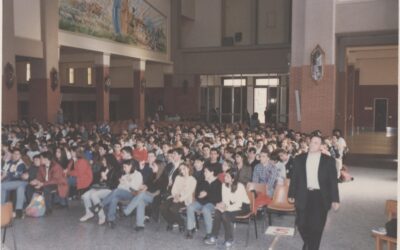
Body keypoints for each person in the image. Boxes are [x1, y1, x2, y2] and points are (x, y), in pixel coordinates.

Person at [288, 135, 340, 250]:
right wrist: (291, 194)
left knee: (317, 226)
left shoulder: (328, 160)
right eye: (311, 142)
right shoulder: (299, 158)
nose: (312, 144)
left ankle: (312, 247)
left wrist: (335, 199)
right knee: (301, 224)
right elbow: (294, 177)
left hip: (320, 196)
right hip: (303, 194)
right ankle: (309, 243)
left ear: (321, 146)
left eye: (316, 142)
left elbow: (333, 181)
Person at [205, 168, 250, 248]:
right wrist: (221, 206)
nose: (225, 178)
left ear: (233, 178)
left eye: (228, 177)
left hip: (243, 207)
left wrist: (226, 208)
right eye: (225, 176)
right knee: (218, 212)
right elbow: (225, 200)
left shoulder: (240, 186)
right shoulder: (224, 185)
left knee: (225, 215)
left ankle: (229, 239)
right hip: (231, 205)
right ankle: (214, 236)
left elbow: (238, 204)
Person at [123, 160, 168, 231]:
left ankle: (127, 211)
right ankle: (140, 225)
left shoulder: (164, 177)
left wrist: (146, 189)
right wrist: (143, 186)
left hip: (156, 197)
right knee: (140, 201)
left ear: (159, 167)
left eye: (154, 166)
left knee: (142, 194)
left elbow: (160, 190)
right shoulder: (152, 174)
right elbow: (147, 183)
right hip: (147, 195)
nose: (152, 167)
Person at [96, 159, 143, 228]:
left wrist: (126, 183)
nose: (124, 169)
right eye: (123, 167)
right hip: (122, 193)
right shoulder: (125, 175)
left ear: (131, 166)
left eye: (125, 167)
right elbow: (119, 187)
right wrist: (123, 183)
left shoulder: (137, 174)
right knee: (114, 198)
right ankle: (110, 220)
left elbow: (135, 188)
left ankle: (100, 205)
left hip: (133, 194)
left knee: (116, 192)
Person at [79, 154, 122, 223]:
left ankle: (102, 216)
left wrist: (106, 179)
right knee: (85, 196)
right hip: (100, 187)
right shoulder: (103, 168)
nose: (103, 162)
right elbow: (96, 179)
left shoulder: (116, 170)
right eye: (102, 160)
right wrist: (100, 178)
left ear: (109, 161)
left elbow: (115, 185)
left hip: (110, 189)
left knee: (94, 195)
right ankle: (89, 213)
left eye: (104, 160)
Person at [186, 166, 222, 239]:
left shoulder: (218, 183)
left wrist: (206, 194)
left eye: (206, 171)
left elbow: (218, 198)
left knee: (206, 209)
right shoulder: (202, 181)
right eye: (204, 171)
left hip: (212, 203)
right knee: (190, 207)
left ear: (212, 173)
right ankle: (190, 229)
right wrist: (200, 195)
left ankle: (209, 233)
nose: (204, 173)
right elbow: (196, 194)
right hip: (201, 201)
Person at [160, 163, 196, 232]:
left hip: (185, 199)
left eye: (184, 168)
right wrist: (176, 196)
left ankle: (181, 223)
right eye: (181, 169)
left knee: (173, 209)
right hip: (174, 196)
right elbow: (174, 189)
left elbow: (189, 193)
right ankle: (171, 222)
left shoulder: (193, 180)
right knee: (162, 207)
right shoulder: (178, 177)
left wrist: (179, 198)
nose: (182, 171)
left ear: (188, 169)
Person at [1, 148, 28, 218]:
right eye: (14, 154)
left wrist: (6, 175)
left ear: (20, 155)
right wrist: (4, 175)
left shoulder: (21, 164)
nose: (16, 155)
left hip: (19, 181)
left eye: (18, 154)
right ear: (12, 154)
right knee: (19, 188)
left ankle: (2, 208)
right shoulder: (8, 162)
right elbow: (3, 171)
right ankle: (18, 211)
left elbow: (16, 175)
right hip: (11, 182)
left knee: (2, 186)